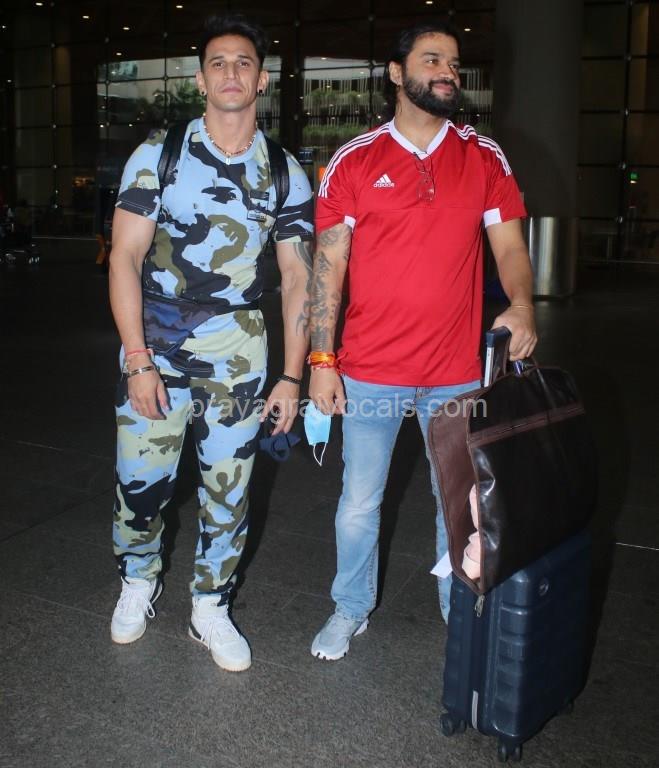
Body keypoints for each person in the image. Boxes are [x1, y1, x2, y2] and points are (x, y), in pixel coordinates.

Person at [307, 20, 537, 661]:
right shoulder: (355, 160)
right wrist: (322, 358)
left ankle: (456, 605)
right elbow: (328, 266)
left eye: (454, 63)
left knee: (457, 504)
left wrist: (522, 304)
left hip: (456, 370)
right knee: (359, 503)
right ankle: (351, 607)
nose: (447, 72)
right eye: (432, 59)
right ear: (395, 72)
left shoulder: (483, 157)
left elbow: (509, 247)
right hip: (370, 368)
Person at [108, 14, 313, 671]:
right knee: (141, 479)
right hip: (157, 337)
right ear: (200, 79)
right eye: (218, 62)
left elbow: (297, 279)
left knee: (230, 487)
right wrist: (137, 359)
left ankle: (211, 604)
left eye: (243, 62)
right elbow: (123, 258)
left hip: (238, 344)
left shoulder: (284, 171)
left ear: (261, 79)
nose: (231, 72)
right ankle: (138, 578)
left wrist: (292, 377)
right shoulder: (158, 155)